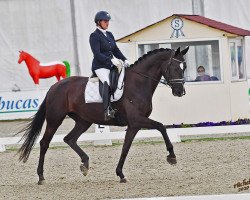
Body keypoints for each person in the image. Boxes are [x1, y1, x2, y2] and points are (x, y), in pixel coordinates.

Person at [89, 11, 130, 121]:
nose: (107, 23)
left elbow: (115, 50)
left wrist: (124, 59)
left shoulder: (109, 34)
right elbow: (97, 54)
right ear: (98, 22)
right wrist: (111, 61)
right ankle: (107, 110)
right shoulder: (94, 36)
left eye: (108, 21)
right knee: (107, 82)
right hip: (100, 66)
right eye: (105, 21)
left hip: (111, 64)